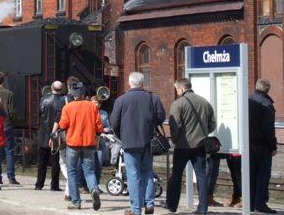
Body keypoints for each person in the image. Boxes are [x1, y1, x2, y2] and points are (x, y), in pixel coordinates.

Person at [110, 72, 166, 215]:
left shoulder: (121, 99)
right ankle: (150, 203)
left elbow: (114, 122)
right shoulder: (153, 98)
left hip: (129, 142)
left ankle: (135, 209)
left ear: (130, 83)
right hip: (148, 142)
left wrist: (122, 135)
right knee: (147, 172)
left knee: (133, 174)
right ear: (142, 83)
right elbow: (161, 117)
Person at [166, 77, 216, 215]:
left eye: (176, 89)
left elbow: (175, 126)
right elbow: (212, 123)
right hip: (200, 145)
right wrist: (203, 133)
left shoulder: (178, 104)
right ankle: (203, 208)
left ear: (182, 89)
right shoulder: (204, 102)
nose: (176, 92)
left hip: (182, 146)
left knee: (176, 175)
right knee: (201, 175)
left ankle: (171, 206)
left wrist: (175, 140)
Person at [56, 81, 102, 210]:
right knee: (89, 171)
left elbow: (63, 125)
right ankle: (93, 189)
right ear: (83, 93)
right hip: (89, 143)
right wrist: (96, 136)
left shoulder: (68, 107)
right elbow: (99, 126)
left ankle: (76, 201)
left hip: (73, 144)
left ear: (73, 94)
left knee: (71, 172)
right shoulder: (92, 107)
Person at [249, 79, 278, 214]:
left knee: (251, 174)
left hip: (248, 144)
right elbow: (268, 128)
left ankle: (250, 203)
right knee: (263, 175)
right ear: (268, 90)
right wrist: (273, 146)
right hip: (262, 145)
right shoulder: (267, 104)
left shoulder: (248, 100)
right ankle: (260, 204)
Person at [35, 81, 65, 191]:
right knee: (55, 161)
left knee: (42, 161)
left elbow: (39, 113)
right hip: (56, 133)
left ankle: (39, 184)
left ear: (51, 88)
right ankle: (54, 185)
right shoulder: (63, 101)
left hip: (43, 132)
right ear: (61, 89)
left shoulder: (43, 99)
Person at [0, 71, 19, 185]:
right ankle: (11, 176)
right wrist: (12, 122)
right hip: (7, 124)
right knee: (9, 151)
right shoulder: (9, 94)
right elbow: (12, 111)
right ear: (3, 80)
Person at [91, 95, 111, 190]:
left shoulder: (104, 114)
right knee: (90, 165)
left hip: (100, 142)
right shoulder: (88, 112)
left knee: (98, 164)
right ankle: (90, 185)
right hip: (90, 142)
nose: (95, 104)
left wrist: (105, 129)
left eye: (97, 103)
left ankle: (96, 185)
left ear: (99, 104)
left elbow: (108, 127)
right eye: (93, 102)